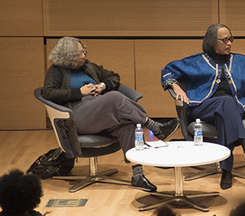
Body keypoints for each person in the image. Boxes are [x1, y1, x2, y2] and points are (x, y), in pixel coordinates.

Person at [43, 37, 178, 192]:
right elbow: (48, 92)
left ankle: (137, 176)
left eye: (83, 52)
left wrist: (101, 86)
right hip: (77, 115)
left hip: (100, 111)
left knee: (127, 125)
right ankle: (153, 125)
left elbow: (114, 76)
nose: (83, 56)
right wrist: (79, 92)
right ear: (67, 56)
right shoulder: (57, 70)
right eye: (79, 54)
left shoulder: (88, 66)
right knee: (114, 97)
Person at [162, 24, 245, 190]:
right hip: (202, 108)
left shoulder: (240, 61)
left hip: (232, 109)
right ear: (211, 42)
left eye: (231, 39)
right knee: (225, 102)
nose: (229, 43)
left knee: (225, 112)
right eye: (224, 40)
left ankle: (226, 171)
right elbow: (168, 71)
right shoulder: (196, 62)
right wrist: (175, 86)